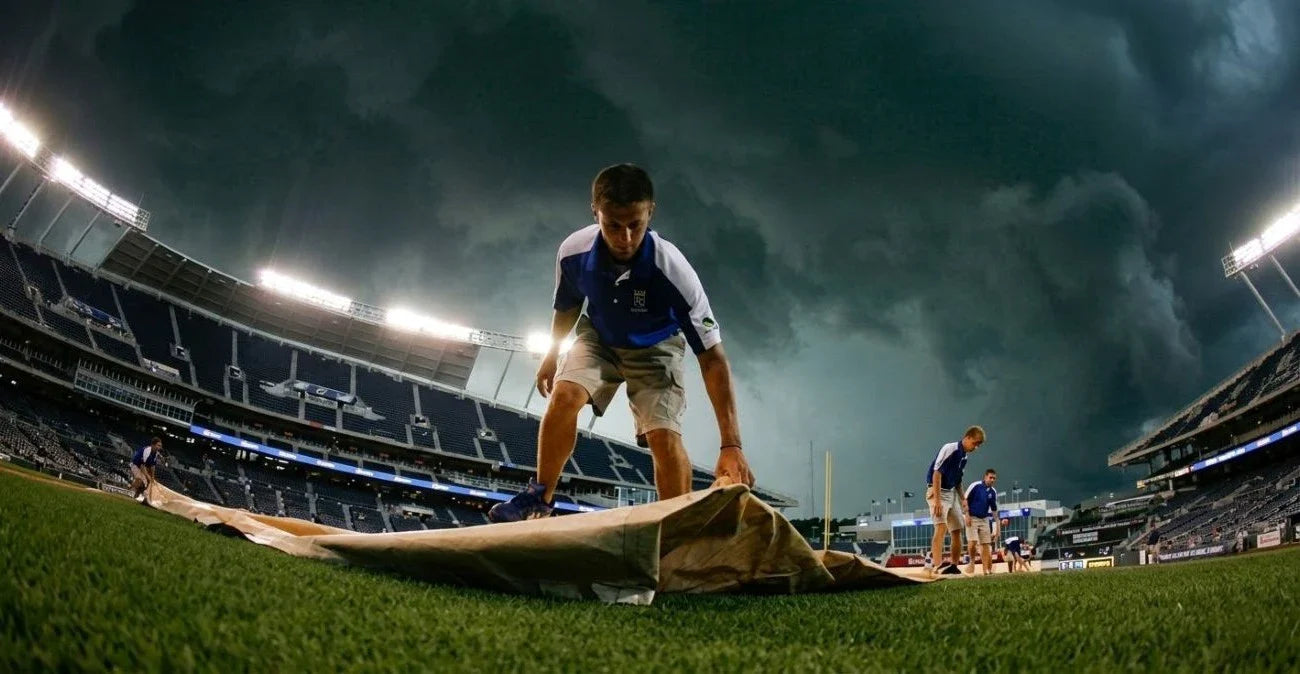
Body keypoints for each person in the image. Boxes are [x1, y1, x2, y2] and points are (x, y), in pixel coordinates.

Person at [489, 164, 753, 523]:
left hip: (656, 347)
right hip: (599, 336)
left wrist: (731, 444)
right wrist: (551, 356)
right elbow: (567, 307)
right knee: (564, 396)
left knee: (662, 435)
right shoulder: (573, 252)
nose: (626, 238)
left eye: (636, 225)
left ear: (650, 213)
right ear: (595, 211)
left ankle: (675, 524)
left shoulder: (674, 271)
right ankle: (539, 499)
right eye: (613, 225)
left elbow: (712, 357)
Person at [924, 426, 985, 576]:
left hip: (951, 493)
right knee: (941, 527)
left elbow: (958, 480)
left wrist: (963, 498)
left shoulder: (964, 456)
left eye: (978, 445)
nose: (976, 448)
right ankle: (936, 566)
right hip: (937, 491)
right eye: (975, 443)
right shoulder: (950, 449)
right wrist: (937, 501)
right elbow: (936, 474)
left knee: (957, 529)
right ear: (968, 437)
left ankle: (953, 566)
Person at [964, 468, 999, 575]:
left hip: (984, 519)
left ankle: (985, 570)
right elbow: (964, 500)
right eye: (990, 477)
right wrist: (967, 515)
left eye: (994, 478)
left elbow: (994, 509)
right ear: (985, 477)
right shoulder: (975, 486)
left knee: (985, 545)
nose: (992, 480)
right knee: (973, 542)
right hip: (972, 517)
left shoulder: (993, 492)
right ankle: (972, 563)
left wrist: (997, 525)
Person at [130, 436, 163, 505]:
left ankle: (142, 497)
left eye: (160, 446)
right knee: (142, 480)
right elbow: (142, 465)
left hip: (143, 467)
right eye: (158, 445)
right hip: (135, 465)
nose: (159, 447)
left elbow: (153, 466)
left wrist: (152, 477)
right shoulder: (147, 450)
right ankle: (132, 490)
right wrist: (148, 476)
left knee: (148, 482)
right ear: (153, 445)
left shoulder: (156, 453)